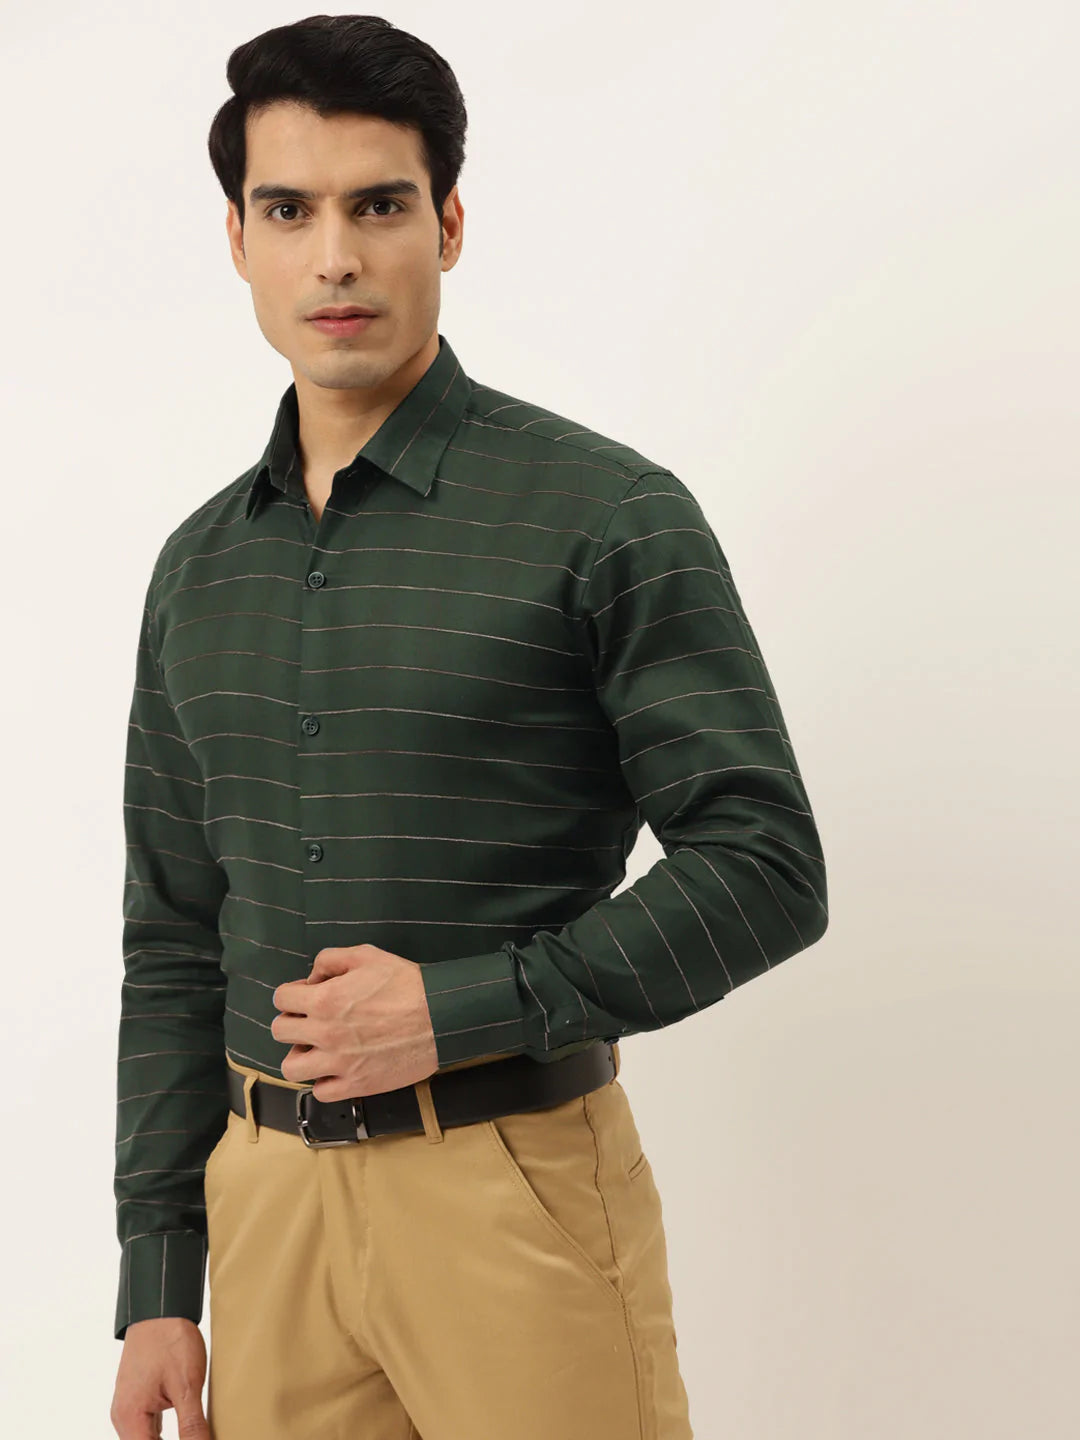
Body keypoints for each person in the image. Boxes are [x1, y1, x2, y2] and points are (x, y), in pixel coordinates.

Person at [109, 14, 828, 1440]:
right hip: (266, 1211)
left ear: (446, 223)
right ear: (237, 239)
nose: (335, 257)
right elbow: (175, 934)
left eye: (378, 206)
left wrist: (459, 1009)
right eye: (288, 211)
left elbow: (764, 864)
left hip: (513, 1191)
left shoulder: (605, 513)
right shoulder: (200, 565)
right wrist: (158, 1280)